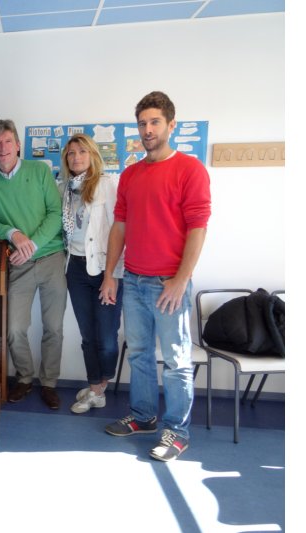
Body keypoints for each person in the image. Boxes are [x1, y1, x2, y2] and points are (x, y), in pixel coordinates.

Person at [100, 91, 211, 462]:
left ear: (171, 125)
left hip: (169, 284)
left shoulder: (190, 170)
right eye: (143, 123)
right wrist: (111, 275)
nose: (148, 130)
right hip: (132, 280)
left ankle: (177, 432)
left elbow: (198, 228)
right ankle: (145, 416)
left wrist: (181, 280)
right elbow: (120, 226)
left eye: (154, 122)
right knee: (141, 355)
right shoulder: (130, 175)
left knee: (177, 361)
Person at [0, 119, 67, 410]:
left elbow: (55, 214)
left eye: (7, 141)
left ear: (18, 144)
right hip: (18, 263)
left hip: (51, 257)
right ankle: (25, 377)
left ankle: (49, 383)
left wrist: (33, 244)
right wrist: (12, 233)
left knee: (54, 327)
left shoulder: (39, 171)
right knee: (14, 328)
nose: (2, 148)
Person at [59, 134, 124, 414]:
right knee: (88, 335)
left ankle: (99, 388)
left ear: (93, 155)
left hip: (104, 268)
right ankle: (96, 387)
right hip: (75, 268)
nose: (76, 157)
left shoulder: (109, 185)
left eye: (82, 151)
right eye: (71, 153)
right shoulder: (63, 188)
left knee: (107, 336)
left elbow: (119, 232)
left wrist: (111, 275)